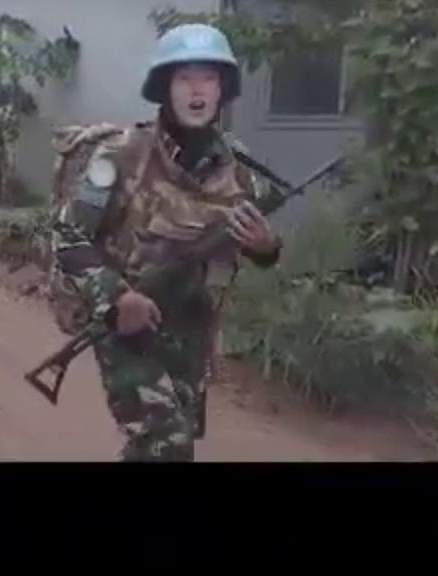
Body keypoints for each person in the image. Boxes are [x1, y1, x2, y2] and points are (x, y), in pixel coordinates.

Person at [47, 23, 283, 462]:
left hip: (192, 332)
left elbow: (260, 250)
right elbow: (68, 235)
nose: (197, 90)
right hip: (128, 326)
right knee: (166, 441)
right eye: (184, 78)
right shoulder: (119, 155)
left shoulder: (240, 170)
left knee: (162, 445)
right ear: (164, 87)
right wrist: (118, 299)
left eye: (208, 78)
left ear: (222, 89)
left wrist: (265, 246)